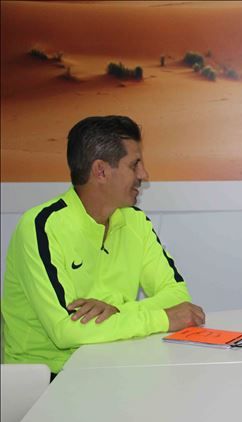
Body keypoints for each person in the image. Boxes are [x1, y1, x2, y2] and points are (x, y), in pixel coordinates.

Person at [1, 115, 206, 376]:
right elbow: (66, 331)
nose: (144, 175)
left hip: (112, 365)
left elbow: (178, 297)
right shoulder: (40, 227)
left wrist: (117, 310)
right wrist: (163, 318)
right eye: (134, 164)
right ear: (101, 171)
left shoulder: (135, 222)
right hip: (48, 378)